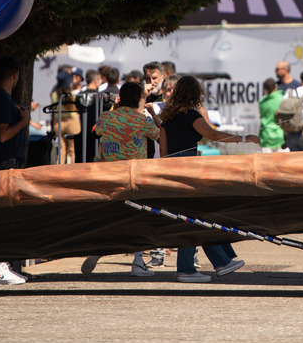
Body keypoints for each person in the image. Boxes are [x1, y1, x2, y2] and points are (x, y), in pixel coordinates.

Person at [154, 75, 259, 283]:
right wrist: (245, 139)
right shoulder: (191, 114)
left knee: (194, 216)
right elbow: (213, 135)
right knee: (194, 217)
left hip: (172, 167)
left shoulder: (167, 118)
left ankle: (222, 262)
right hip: (188, 167)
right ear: (193, 94)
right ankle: (188, 268)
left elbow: (164, 151)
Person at [78, 81, 160, 277]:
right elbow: (157, 135)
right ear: (139, 99)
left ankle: (98, 249)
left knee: (109, 216)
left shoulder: (107, 116)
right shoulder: (142, 120)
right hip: (132, 175)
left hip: (106, 173)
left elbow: (95, 132)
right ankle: (138, 262)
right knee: (137, 217)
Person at [0, 55, 32, 285]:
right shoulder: (1, 98)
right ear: (15, 76)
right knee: (3, 216)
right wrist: (23, 121)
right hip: (2, 165)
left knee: (4, 215)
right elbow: (2, 135)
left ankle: (2, 265)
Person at [258, 77, 285, 152]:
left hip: (265, 135)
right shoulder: (282, 99)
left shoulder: (261, 102)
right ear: (276, 86)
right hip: (279, 135)